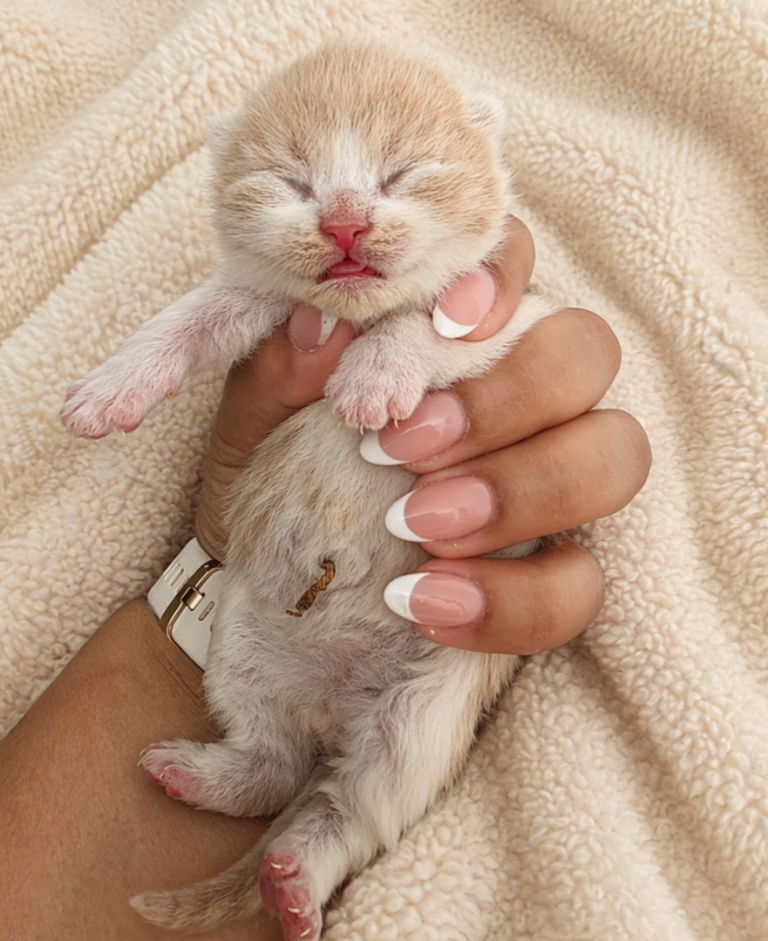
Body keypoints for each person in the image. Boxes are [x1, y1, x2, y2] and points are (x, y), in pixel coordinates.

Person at [0, 220, 651, 941]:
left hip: (424, 632)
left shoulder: (480, 291)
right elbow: (224, 310)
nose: (349, 219)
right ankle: (262, 762)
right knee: (250, 645)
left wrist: (429, 344)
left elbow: (506, 332)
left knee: (411, 740)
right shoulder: (303, 284)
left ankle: (323, 843)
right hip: (276, 595)